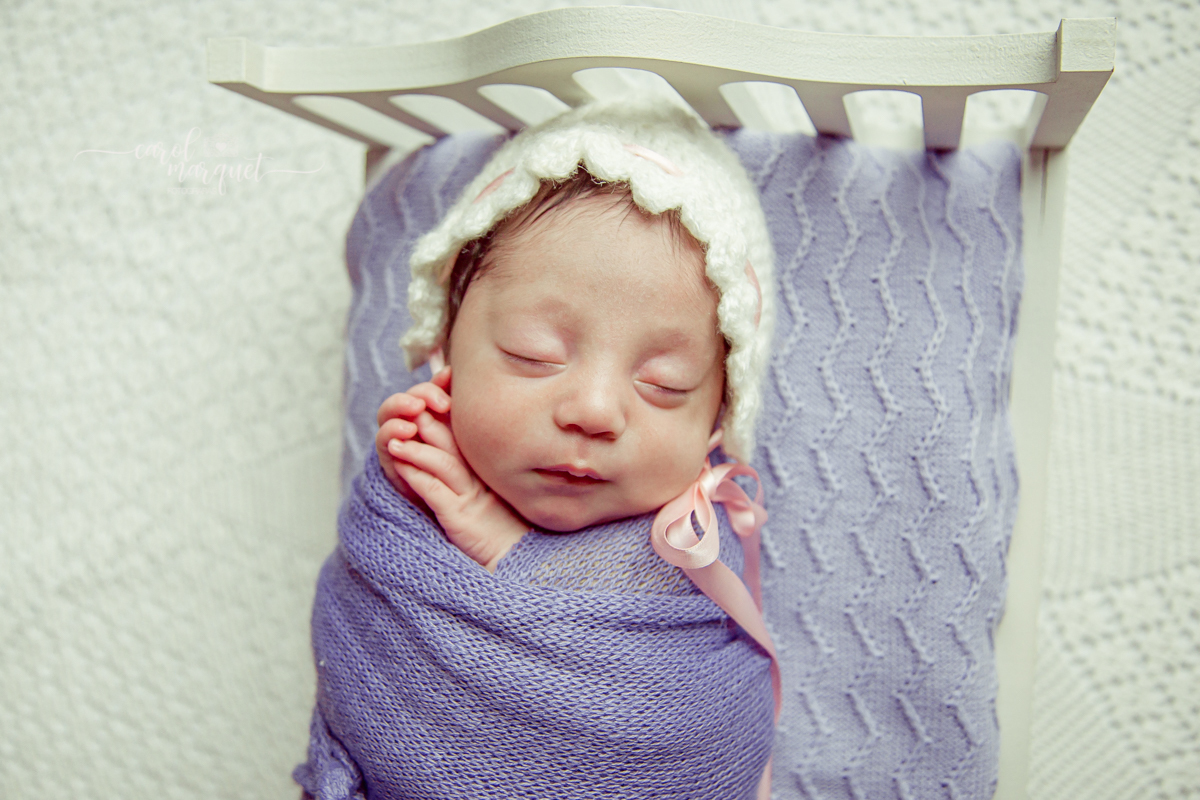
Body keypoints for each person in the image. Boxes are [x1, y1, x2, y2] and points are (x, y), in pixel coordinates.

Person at [297, 99, 779, 800]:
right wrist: (411, 483)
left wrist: (497, 539)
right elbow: (360, 650)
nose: (592, 411)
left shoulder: (689, 544)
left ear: (716, 422)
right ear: (444, 355)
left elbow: (693, 726)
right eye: (533, 354)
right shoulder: (410, 495)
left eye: (663, 385)